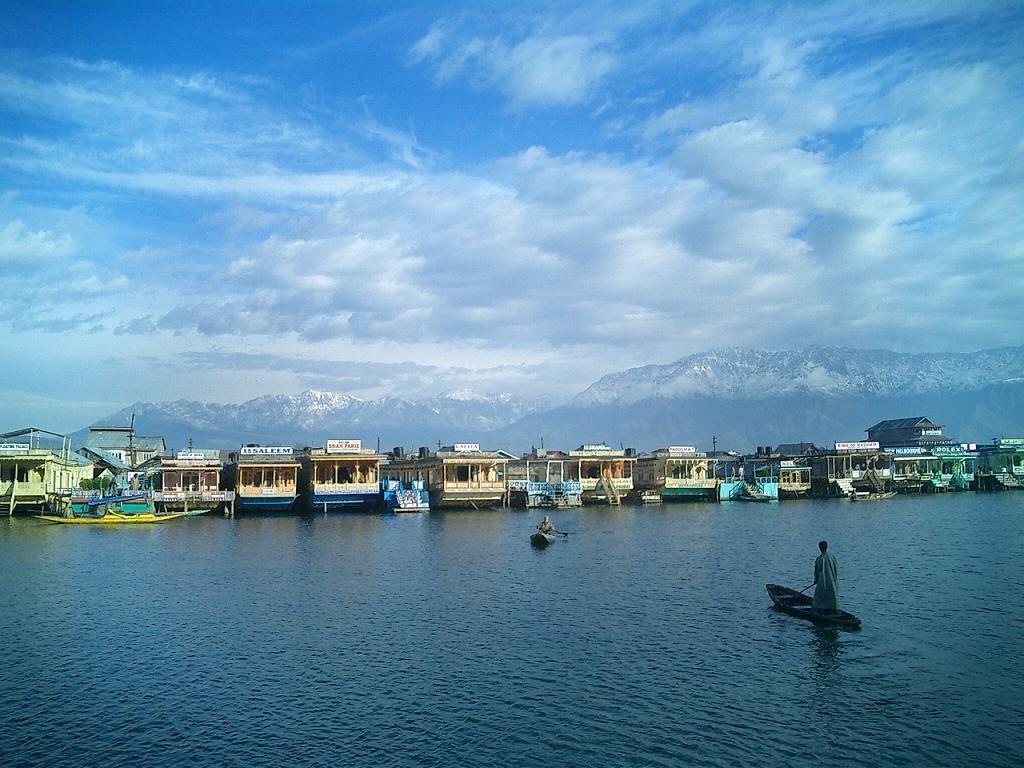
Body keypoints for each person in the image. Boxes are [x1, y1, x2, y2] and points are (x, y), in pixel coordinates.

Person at [812, 540, 840, 613]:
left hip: (822, 581)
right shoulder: (833, 557)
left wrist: (816, 580)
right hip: (832, 580)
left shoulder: (819, 559)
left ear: (819, 548)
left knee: (820, 597)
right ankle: (832, 609)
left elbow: (817, 571)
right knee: (832, 595)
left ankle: (820, 609)